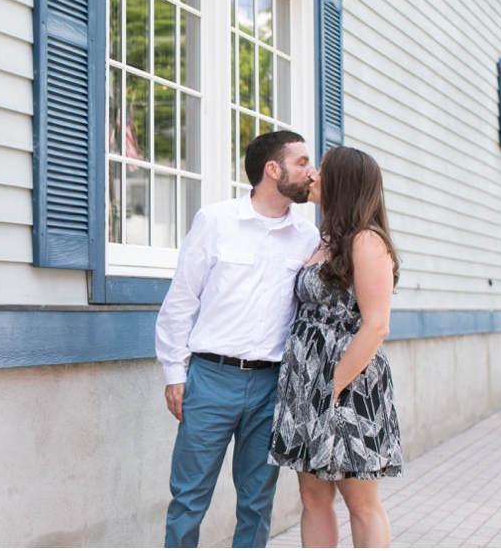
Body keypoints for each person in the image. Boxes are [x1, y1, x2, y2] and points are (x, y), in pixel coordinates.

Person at [156, 131, 320, 548]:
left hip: (272, 386)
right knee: (189, 497)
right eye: (302, 163)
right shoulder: (215, 221)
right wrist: (175, 373)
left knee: (257, 503)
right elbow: (180, 302)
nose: (312, 172)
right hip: (211, 380)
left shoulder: (308, 238)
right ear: (273, 169)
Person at [268, 145, 403, 548]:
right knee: (312, 499)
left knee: (361, 502)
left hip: (346, 384)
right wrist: (308, 387)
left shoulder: (366, 241)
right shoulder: (324, 240)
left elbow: (377, 325)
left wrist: (333, 386)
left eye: (322, 171)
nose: (313, 176)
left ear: (342, 183)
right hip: (306, 382)